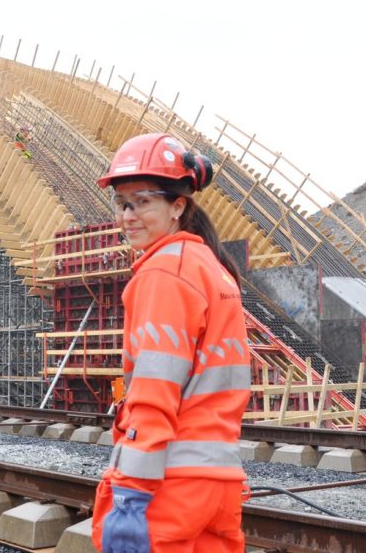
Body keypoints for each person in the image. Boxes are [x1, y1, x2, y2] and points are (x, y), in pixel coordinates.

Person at [91, 133, 251, 553]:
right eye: (122, 203)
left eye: (142, 201)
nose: (128, 215)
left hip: (170, 484)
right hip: (219, 483)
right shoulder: (212, 269)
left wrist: (130, 491)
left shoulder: (163, 272)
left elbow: (155, 390)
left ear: (178, 206)